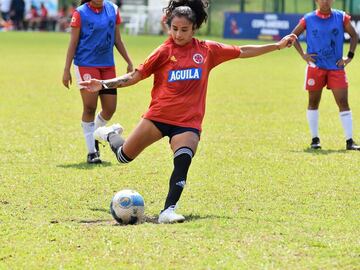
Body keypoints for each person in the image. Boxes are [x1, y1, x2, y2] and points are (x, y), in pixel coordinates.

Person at [80, 0, 296, 223]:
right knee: (124, 157)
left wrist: (277, 45)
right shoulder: (163, 51)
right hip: (158, 117)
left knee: (183, 158)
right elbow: (135, 76)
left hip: (188, 122)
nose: (178, 34)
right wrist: (104, 84)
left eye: (184, 30)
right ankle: (109, 134)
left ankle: (168, 211)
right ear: (169, 26)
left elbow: (242, 50)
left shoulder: (206, 50)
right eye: (174, 29)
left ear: (194, 28)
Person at [62, 0, 133, 164]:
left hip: (108, 66)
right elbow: (73, 43)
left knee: (109, 108)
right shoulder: (80, 13)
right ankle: (92, 152)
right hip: (86, 64)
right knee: (90, 107)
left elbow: (117, 40)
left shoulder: (113, 10)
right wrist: (66, 70)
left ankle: (95, 133)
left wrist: (129, 61)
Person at [291, 0, 359, 150]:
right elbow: (292, 36)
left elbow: (354, 36)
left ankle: (350, 141)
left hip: (336, 68)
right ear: (316, 1)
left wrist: (349, 57)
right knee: (313, 103)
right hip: (315, 68)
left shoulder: (341, 17)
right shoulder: (308, 19)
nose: (325, 1)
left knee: (343, 103)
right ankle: (315, 140)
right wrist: (303, 54)